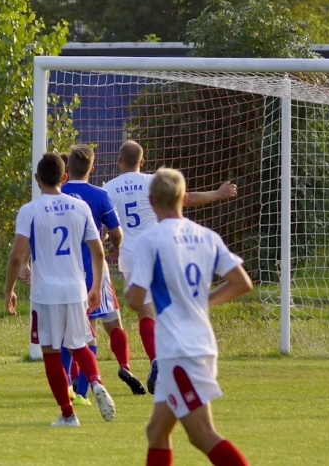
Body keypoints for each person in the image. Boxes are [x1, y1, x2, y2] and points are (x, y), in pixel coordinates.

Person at [126, 168, 251, 466]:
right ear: (183, 197)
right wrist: (203, 301)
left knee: (202, 435)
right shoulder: (205, 236)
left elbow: (134, 298)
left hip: (181, 350)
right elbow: (242, 282)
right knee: (156, 431)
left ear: (151, 200)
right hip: (194, 343)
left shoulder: (151, 240)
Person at [103, 140, 236, 393]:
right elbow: (186, 199)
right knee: (165, 310)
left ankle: (157, 361)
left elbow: (107, 227)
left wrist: (111, 244)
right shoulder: (153, 182)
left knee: (144, 312)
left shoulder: (108, 188)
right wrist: (218, 194)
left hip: (131, 256)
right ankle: (168, 361)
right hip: (161, 249)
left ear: (119, 161)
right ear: (142, 161)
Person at [5, 152, 115, 427]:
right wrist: (96, 287)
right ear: (64, 178)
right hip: (77, 289)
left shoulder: (30, 210)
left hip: (46, 294)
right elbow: (98, 253)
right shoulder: (80, 208)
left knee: (51, 352)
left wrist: (9, 291)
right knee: (79, 345)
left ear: (36, 179)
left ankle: (68, 414)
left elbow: (17, 256)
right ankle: (97, 383)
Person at [59, 145, 147, 401]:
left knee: (75, 332)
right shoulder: (98, 195)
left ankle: (71, 381)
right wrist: (114, 248)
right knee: (110, 323)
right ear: (92, 168)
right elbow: (117, 233)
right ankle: (120, 367)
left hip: (64, 270)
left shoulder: (58, 193)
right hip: (94, 268)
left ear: (66, 170)